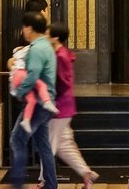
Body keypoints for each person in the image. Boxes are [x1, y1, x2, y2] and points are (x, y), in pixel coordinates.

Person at [45, 22, 98, 189]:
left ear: (55, 37)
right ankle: (86, 173)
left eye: (47, 33)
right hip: (66, 105)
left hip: (59, 107)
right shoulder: (63, 53)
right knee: (64, 144)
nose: (45, 35)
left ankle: (44, 181)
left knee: (49, 146)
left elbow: (60, 82)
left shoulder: (59, 56)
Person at [8, 12, 58, 189]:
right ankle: (51, 184)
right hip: (45, 102)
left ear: (29, 28)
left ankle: (17, 184)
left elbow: (33, 75)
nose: (23, 31)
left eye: (23, 27)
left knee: (17, 140)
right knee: (43, 145)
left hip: (35, 103)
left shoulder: (36, 49)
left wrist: (19, 92)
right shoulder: (47, 47)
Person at [11, 38, 59, 134]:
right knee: (41, 85)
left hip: (16, 76)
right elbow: (34, 71)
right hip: (22, 74)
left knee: (31, 100)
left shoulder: (18, 53)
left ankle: (26, 120)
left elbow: (11, 63)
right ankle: (47, 101)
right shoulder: (32, 49)